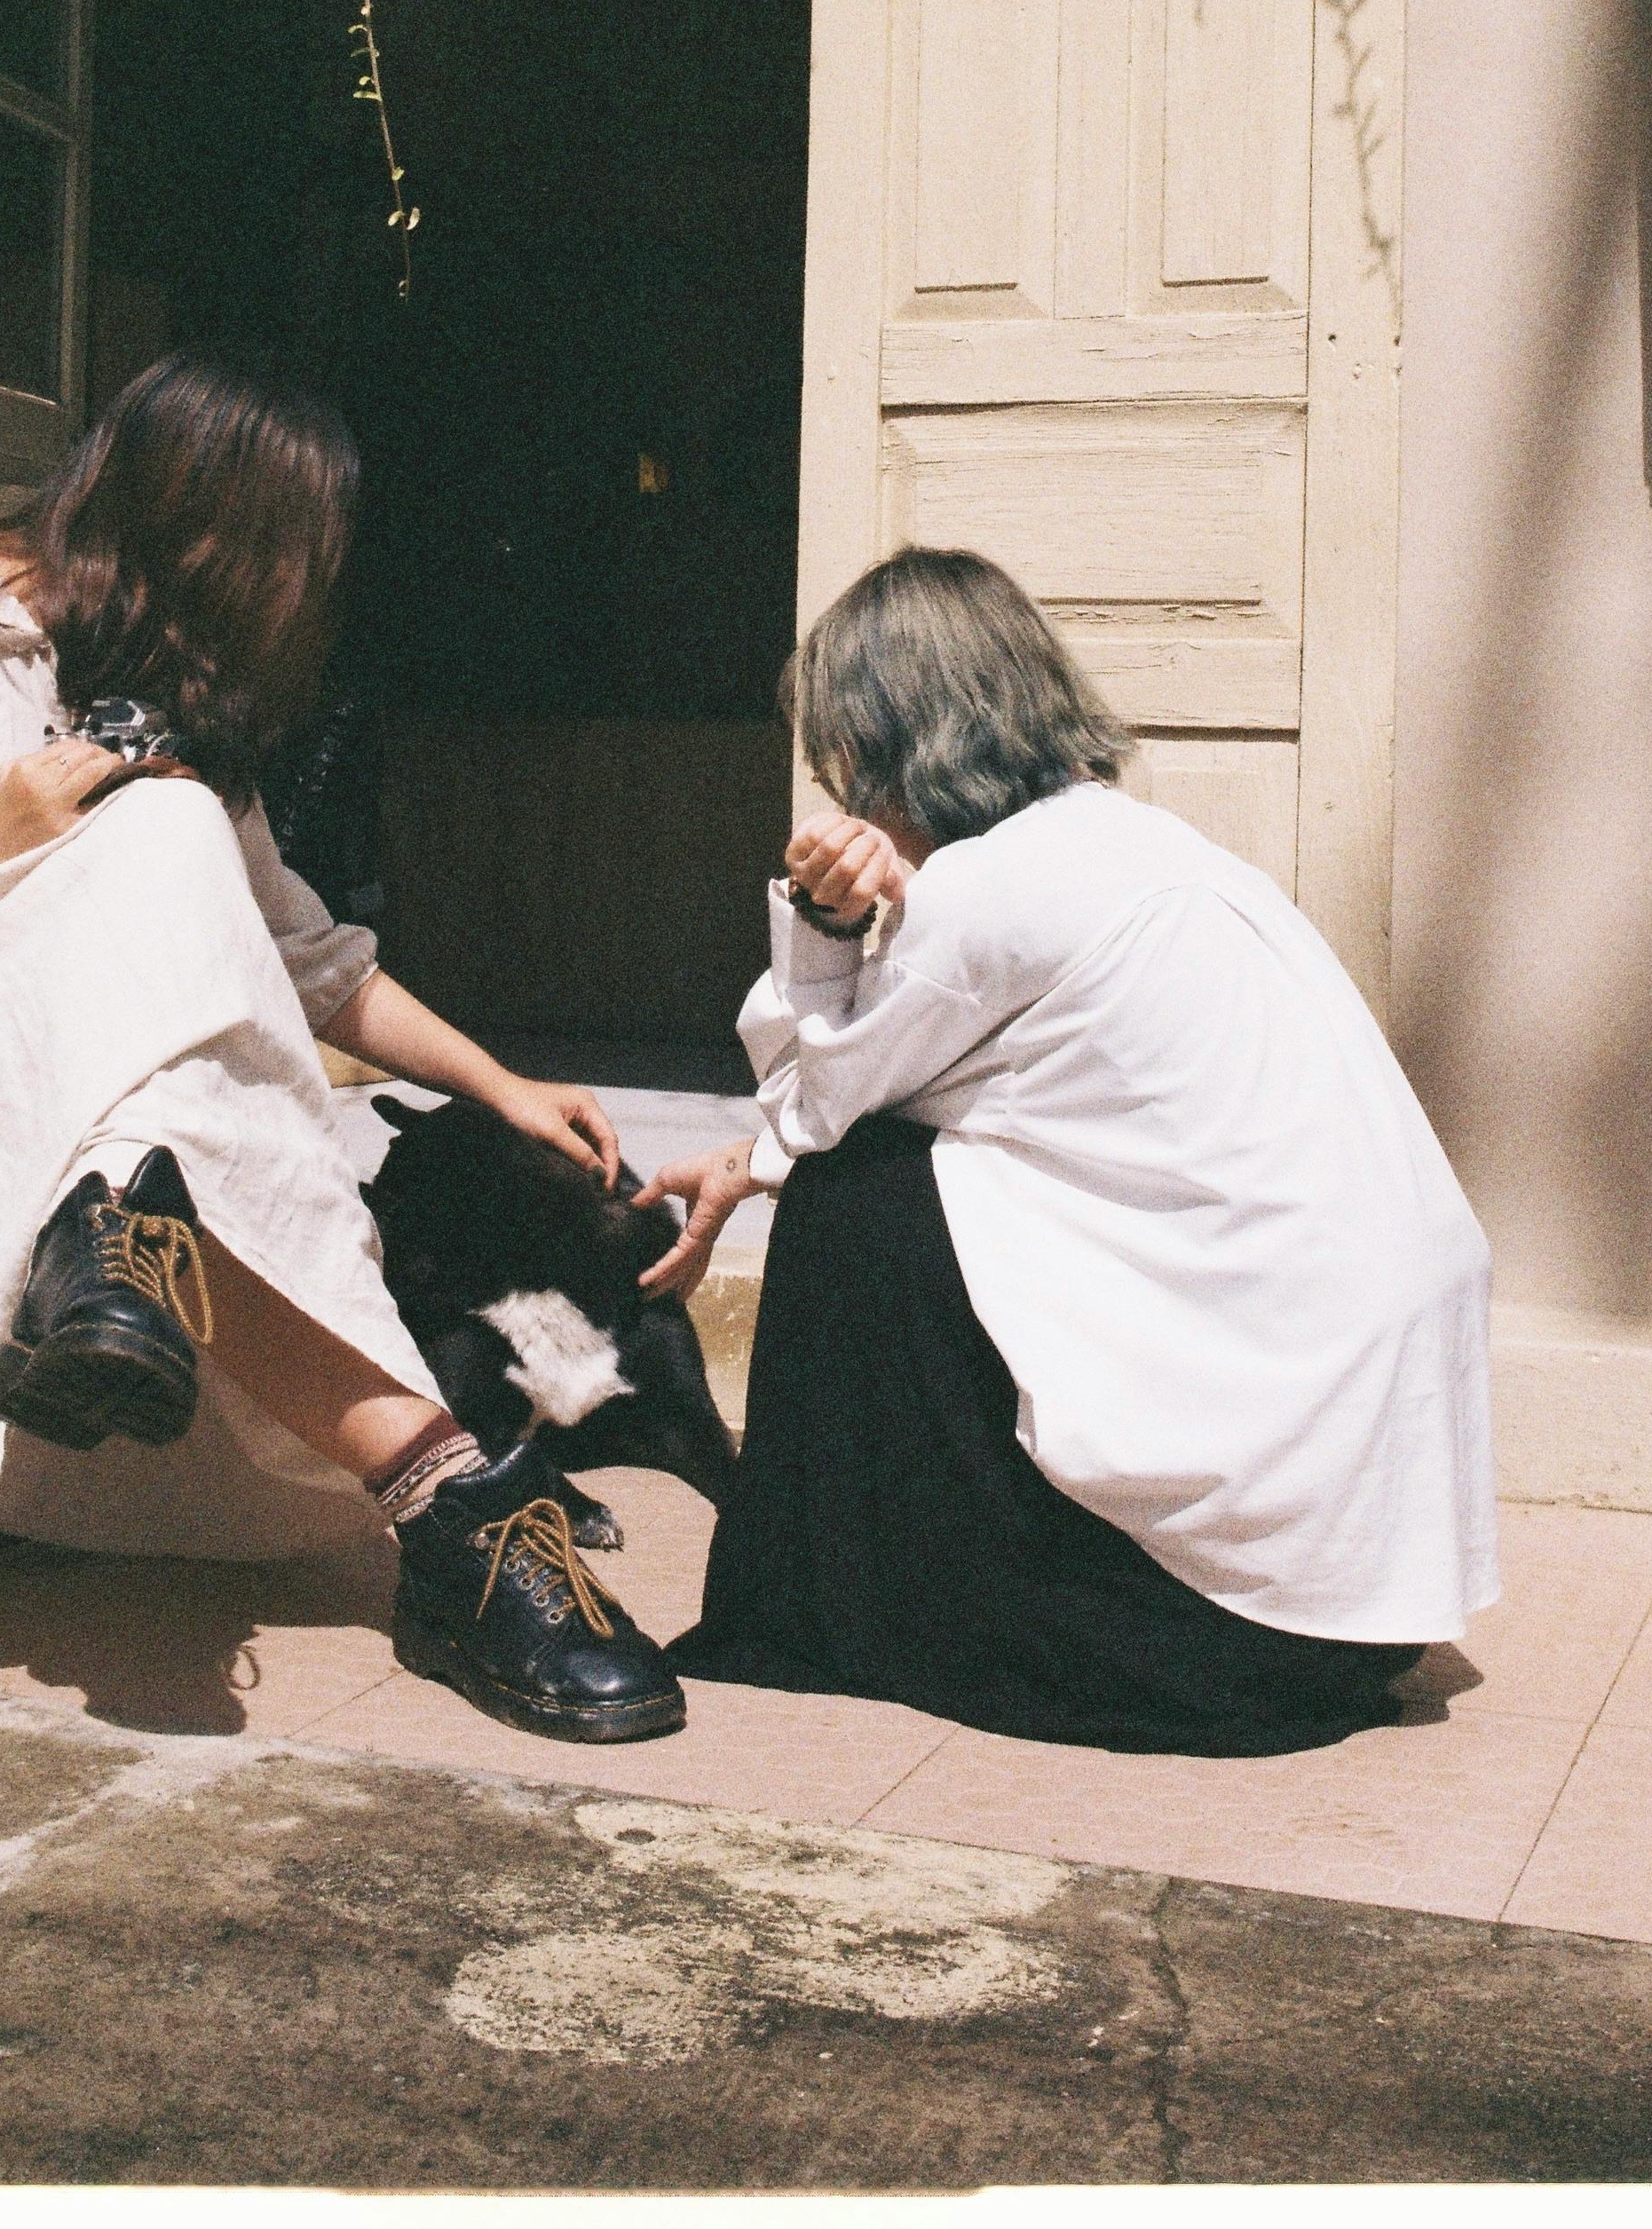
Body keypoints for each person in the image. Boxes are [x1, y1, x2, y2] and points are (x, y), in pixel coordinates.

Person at [0, 352, 684, 1747]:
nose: (295, 607)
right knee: (164, 836)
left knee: (168, 932)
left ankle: (121, 1239)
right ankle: (448, 1498)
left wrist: (495, 1082)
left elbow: (307, 958)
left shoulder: (143, 680)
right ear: (197, 534)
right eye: (287, 567)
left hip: (67, 1117)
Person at [636, 547, 1498, 1758]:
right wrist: (751, 1158)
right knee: (901, 1171)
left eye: (840, 766)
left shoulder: (989, 891)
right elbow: (933, 1093)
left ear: (886, 750)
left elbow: (813, 1100)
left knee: (854, 1197)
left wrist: (824, 923)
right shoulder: (1153, 850)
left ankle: (815, 1600)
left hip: (1248, 1603)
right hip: (1364, 1564)